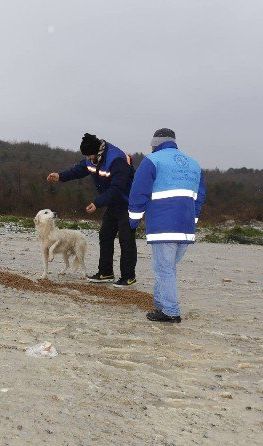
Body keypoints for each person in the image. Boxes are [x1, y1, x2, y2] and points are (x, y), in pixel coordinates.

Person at [128, 128, 206, 323]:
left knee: (164, 269)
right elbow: (199, 197)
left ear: (155, 143)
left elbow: (138, 192)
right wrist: (192, 221)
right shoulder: (194, 164)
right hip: (186, 228)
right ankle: (160, 306)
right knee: (166, 268)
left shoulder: (152, 161)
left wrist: (133, 220)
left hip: (163, 226)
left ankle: (171, 312)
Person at [47, 133, 137, 287]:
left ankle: (128, 276)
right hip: (112, 202)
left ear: (98, 152)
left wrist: (97, 203)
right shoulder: (92, 158)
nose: (88, 159)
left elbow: (117, 188)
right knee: (105, 235)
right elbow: (78, 170)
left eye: (90, 156)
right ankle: (106, 273)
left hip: (127, 202)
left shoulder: (116, 160)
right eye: (86, 157)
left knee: (126, 239)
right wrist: (60, 176)